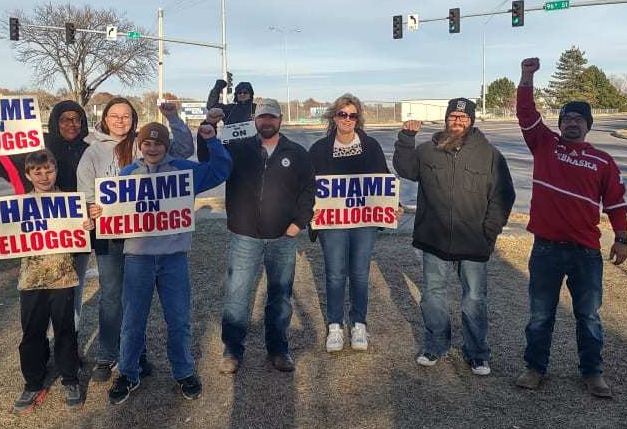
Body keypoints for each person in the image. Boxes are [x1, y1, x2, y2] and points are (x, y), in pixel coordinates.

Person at [515, 57, 627, 398]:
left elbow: (616, 204)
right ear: (560, 123)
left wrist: (621, 238)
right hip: (546, 248)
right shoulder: (545, 145)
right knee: (540, 315)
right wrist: (526, 76)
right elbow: (525, 112)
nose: (572, 123)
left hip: (585, 253)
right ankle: (535, 368)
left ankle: (593, 373)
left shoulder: (602, 161)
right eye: (567, 118)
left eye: (579, 119)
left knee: (588, 316)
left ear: (588, 125)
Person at [103, 118, 232, 404]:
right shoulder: (127, 174)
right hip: (138, 257)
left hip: (173, 257)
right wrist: (102, 213)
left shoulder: (183, 170)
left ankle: (183, 371)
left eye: (158, 142)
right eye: (147, 143)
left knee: (178, 318)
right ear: (140, 145)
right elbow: (113, 213)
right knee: (133, 320)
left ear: (167, 145)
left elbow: (221, 170)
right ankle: (128, 372)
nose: (152, 147)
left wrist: (211, 140)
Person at [0, 99, 93, 326]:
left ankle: (69, 345)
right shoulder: (37, 149)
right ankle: (42, 347)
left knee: (72, 291)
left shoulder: (91, 149)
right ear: (54, 121)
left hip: (76, 232)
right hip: (37, 232)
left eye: (76, 119)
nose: (71, 124)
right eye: (64, 119)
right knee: (40, 294)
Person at [393, 98, 515, 375]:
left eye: (463, 117)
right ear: (446, 119)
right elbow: (405, 169)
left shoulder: (489, 154)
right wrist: (406, 138)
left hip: (473, 241)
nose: (457, 122)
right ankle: (435, 344)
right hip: (433, 238)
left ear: (471, 121)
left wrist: (489, 233)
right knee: (433, 295)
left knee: (474, 298)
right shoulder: (428, 150)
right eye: (453, 117)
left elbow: (503, 196)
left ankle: (477, 352)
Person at [0, 148, 99, 412]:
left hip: (63, 277)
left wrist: (88, 225)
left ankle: (70, 378)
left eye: (49, 170)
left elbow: (80, 236)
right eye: (37, 172)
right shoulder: (17, 205)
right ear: (29, 175)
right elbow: (0, 231)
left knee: (65, 331)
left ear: (56, 171)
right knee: (32, 332)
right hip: (31, 280)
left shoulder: (70, 202)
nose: (44, 176)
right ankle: (33, 382)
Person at [76, 99, 194, 382]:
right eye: (114, 116)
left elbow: (184, 150)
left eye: (126, 116)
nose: (120, 121)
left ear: (133, 119)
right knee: (111, 297)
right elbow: (86, 192)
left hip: (143, 236)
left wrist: (174, 119)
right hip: (110, 234)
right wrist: (93, 208)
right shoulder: (92, 152)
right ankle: (107, 355)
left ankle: (136, 356)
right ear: (104, 119)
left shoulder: (144, 143)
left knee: (135, 302)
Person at [214, 98, 315, 374]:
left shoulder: (296, 152)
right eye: (262, 118)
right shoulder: (238, 149)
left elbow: (309, 190)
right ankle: (232, 350)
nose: (267, 122)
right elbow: (208, 157)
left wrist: (299, 224)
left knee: (280, 296)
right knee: (237, 295)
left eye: (272, 117)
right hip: (244, 236)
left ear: (280, 119)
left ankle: (278, 350)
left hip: (283, 237)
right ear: (254, 120)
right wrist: (208, 127)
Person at [308, 94, 395, 353]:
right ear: (334, 117)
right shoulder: (319, 149)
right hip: (331, 222)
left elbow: (383, 179)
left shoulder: (371, 146)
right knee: (335, 273)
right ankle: (335, 325)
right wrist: (308, 211)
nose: (347, 119)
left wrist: (393, 205)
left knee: (359, 273)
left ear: (358, 119)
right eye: (343, 114)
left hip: (363, 221)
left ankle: (359, 324)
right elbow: (307, 185)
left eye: (352, 115)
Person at [198, 78, 255, 161]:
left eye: (245, 92)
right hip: (231, 153)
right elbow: (211, 106)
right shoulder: (230, 109)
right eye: (239, 92)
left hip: (251, 153)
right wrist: (217, 88)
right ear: (236, 95)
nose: (242, 94)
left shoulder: (257, 109)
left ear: (250, 94)